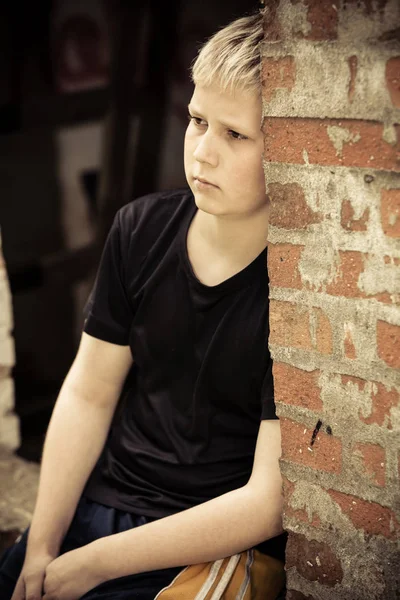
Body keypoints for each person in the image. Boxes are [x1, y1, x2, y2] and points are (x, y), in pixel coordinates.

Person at [0, 10, 287, 600]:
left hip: (203, 542)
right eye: (197, 120)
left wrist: (94, 565)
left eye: (234, 134)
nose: (203, 152)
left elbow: (265, 503)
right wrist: (44, 544)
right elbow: (89, 390)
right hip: (102, 505)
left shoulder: (295, 295)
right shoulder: (140, 229)